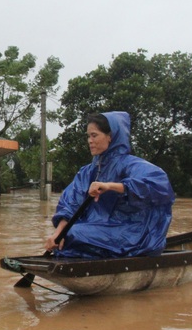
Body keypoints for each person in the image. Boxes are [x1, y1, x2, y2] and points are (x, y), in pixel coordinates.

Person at [45, 111, 175, 259]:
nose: (89, 141)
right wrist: (58, 234)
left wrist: (111, 186)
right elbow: (71, 204)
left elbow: (159, 185)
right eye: (88, 136)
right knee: (64, 238)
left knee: (72, 235)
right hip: (100, 228)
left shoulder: (131, 164)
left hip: (132, 232)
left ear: (110, 137)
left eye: (94, 135)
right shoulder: (87, 172)